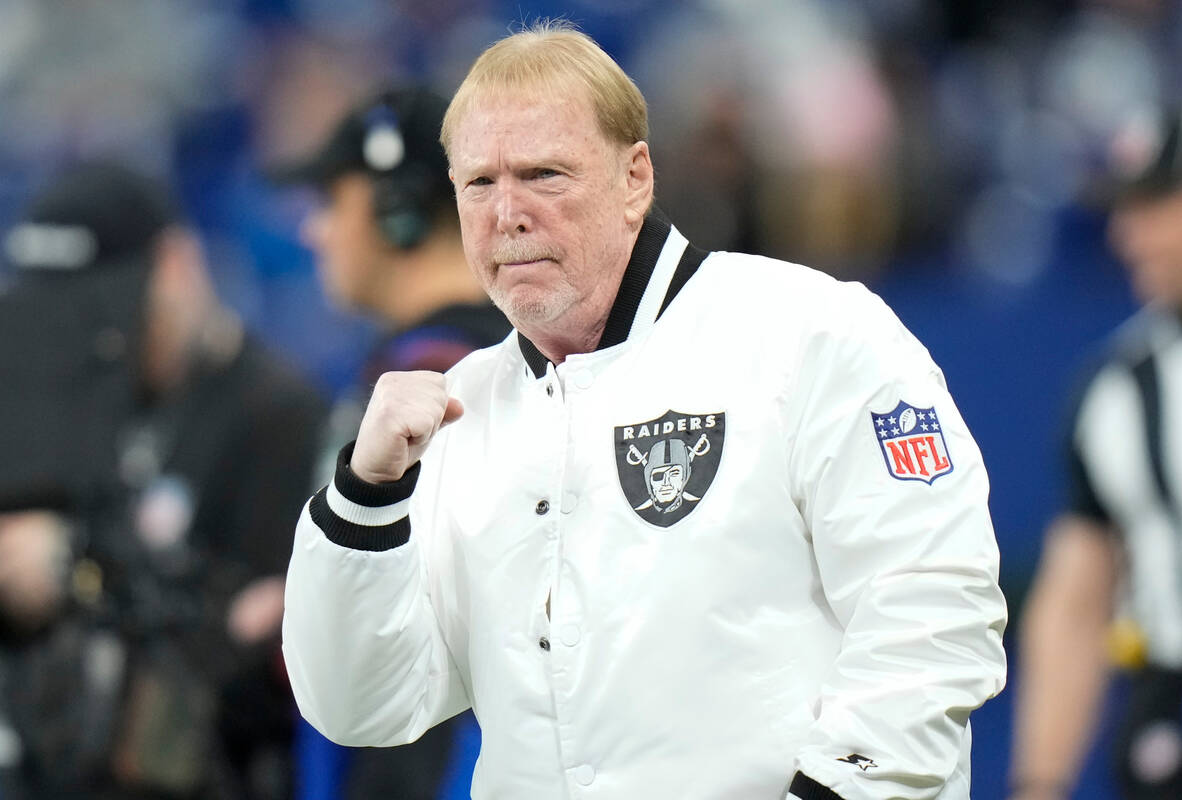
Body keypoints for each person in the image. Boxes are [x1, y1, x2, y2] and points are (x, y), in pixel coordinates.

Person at [282, 22, 1007, 800]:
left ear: (635, 177)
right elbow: (365, 706)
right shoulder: (463, 409)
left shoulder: (811, 333)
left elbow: (933, 609)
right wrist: (365, 498)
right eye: (479, 184)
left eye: (544, 174)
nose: (508, 213)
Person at [0, 161, 328, 799]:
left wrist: (73, 568)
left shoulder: (275, 416)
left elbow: (269, 657)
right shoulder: (58, 404)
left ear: (176, 268)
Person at [271, 85, 509, 799]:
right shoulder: (434, 356)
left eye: (329, 203)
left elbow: (434, 615)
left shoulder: (444, 371)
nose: (315, 232)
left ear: (395, 210)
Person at [1009, 90, 1182, 800]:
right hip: (1174, 717)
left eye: (1153, 204)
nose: (1127, 234)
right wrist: (1040, 784)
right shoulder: (1118, 389)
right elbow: (1075, 606)